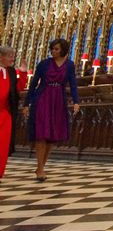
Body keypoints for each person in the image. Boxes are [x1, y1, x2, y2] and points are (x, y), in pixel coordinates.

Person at [22, 38, 80, 182]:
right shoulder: (44, 64)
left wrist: (76, 101)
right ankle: (40, 168)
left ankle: (41, 166)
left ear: (63, 50)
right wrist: (26, 103)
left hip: (58, 101)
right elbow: (34, 83)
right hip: (42, 99)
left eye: (57, 49)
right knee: (41, 134)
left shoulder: (69, 65)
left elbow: (73, 84)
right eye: (52, 49)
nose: (53, 51)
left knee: (51, 137)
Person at [0, 46, 20, 179]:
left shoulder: (11, 71)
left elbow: (15, 89)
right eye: (10, 56)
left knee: (3, 144)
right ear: (1, 57)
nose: (13, 58)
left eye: (13, 55)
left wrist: (23, 74)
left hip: (5, 112)